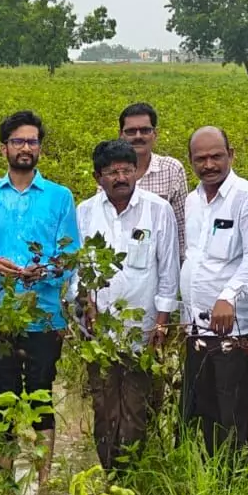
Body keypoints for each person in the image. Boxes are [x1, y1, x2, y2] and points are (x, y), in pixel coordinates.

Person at [0, 110, 79, 486]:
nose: (25, 147)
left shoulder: (60, 197)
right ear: (4, 149)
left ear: (40, 149)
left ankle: (42, 481)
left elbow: (69, 255)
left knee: (42, 397)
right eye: (18, 141)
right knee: (2, 398)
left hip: (45, 315)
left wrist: (44, 271)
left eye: (32, 141)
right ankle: (3, 481)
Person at [76, 140, 180, 473]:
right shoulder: (85, 212)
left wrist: (162, 323)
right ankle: (109, 476)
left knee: (136, 409)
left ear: (135, 172)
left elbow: (168, 270)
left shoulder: (157, 210)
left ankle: (130, 480)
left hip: (143, 331)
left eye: (126, 170)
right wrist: (85, 303)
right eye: (112, 172)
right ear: (98, 176)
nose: (120, 178)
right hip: (99, 335)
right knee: (104, 409)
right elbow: (78, 271)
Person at [180, 126, 248, 459]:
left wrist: (228, 296)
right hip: (197, 328)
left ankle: (234, 483)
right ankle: (208, 481)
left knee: (231, 415)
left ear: (231, 155)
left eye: (216, 156)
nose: (209, 164)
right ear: (190, 161)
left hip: (232, 331)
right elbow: (195, 258)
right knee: (202, 413)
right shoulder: (192, 201)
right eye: (200, 158)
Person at [119, 103, 191, 257]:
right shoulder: (111, 172)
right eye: (131, 131)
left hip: (161, 260)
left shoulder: (172, 169)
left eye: (145, 130)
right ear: (121, 135)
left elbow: (182, 227)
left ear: (155, 134)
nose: (138, 136)